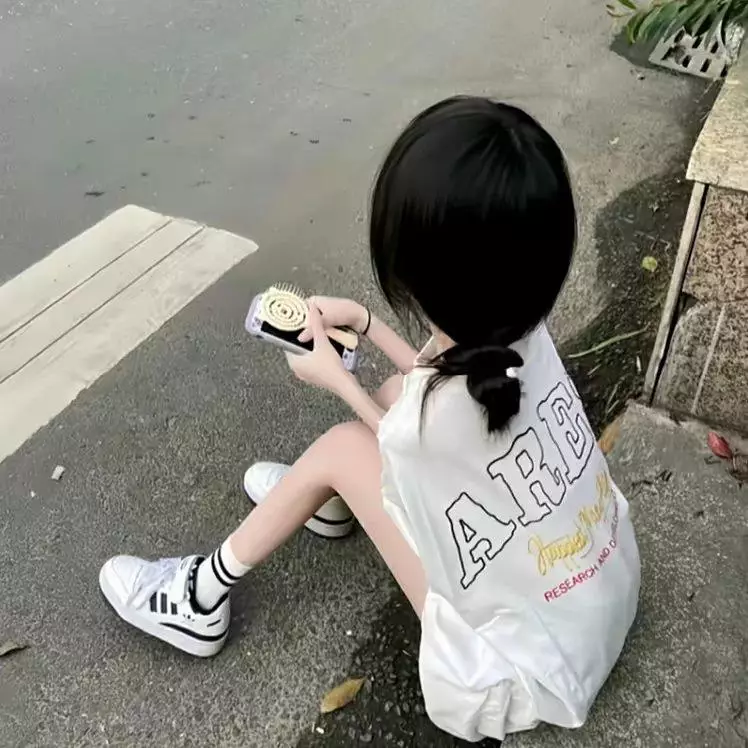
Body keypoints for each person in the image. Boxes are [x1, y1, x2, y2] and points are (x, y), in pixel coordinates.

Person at [99, 96, 640, 742]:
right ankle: (322, 500)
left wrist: (335, 378)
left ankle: (199, 595)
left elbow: (404, 440)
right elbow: (436, 395)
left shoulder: (422, 428)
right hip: (599, 596)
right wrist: (366, 323)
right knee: (391, 392)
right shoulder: (524, 334)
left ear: (412, 272)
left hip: (521, 676)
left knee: (341, 446)